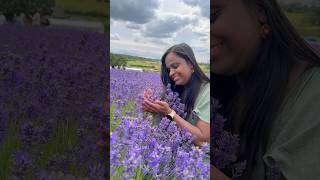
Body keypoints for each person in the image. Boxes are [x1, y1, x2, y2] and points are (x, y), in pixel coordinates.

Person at [211, 0, 320, 179]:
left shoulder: (312, 94)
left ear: (260, 12)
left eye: (212, 17)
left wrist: (193, 167)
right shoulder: (223, 86)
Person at [142, 43, 210, 146]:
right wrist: (152, 104)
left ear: (191, 65)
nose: (171, 73)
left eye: (175, 66)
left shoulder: (208, 93)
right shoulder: (179, 89)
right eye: (169, 70)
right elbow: (168, 123)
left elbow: (204, 140)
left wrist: (169, 113)